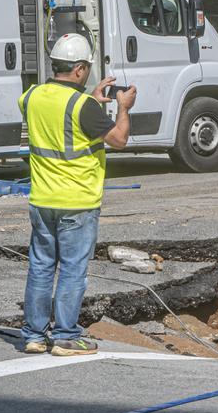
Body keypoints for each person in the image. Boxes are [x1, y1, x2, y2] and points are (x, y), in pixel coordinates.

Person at [17, 33, 135, 356]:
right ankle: (66, 335)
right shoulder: (83, 106)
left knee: (41, 266)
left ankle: (34, 334)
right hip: (78, 201)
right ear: (80, 69)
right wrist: (123, 107)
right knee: (72, 270)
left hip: (42, 199)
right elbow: (120, 139)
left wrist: (93, 100)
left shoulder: (31, 97)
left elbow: (62, 118)